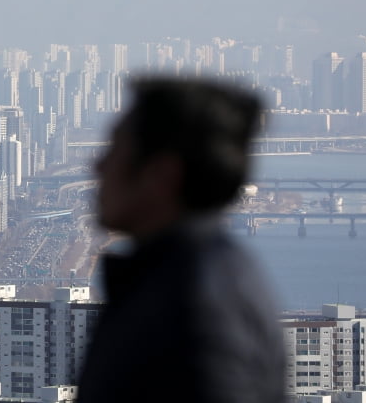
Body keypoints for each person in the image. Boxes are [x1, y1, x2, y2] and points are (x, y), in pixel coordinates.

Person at [76, 77, 285, 403]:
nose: (98, 165)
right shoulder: (184, 278)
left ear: (162, 175)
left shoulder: (196, 307)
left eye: (114, 150)